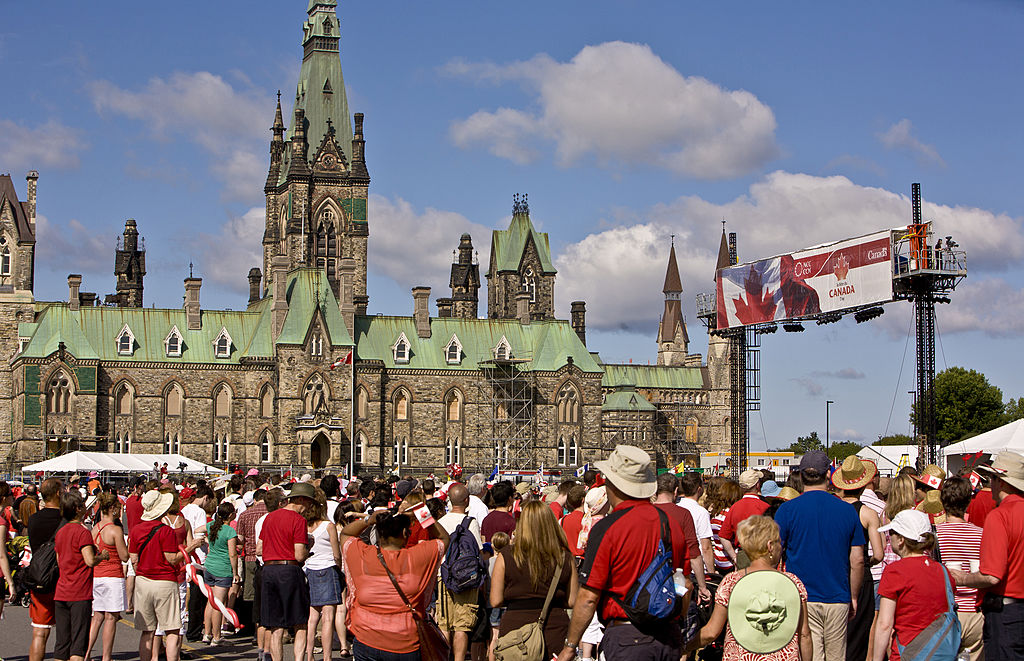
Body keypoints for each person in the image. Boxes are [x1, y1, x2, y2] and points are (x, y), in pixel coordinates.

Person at [557, 445, 689, 661]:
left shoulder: (608, 528)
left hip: (628, 638)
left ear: (612, 484)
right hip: (668, 635)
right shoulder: (671, 524)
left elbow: (589, 597)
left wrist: (571, 646)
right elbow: (684, 583)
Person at [775, 450, 865, 661]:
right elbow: (858, 559)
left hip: (801, 595)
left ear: (801, 475)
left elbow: (774, 553)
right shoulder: (847, 511)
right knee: (836, 656)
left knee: (809, 654)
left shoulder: (787, 510)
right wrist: (853, 596)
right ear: (828, 475)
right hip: (837, 595)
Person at [340, 506, 450, 659]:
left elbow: (346, 533)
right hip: (404, 643)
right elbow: (444, 539)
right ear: (405, 533)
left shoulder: (362, 556)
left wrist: (368, 520)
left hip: (366, 639)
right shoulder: (418, 557)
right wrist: (422, 513)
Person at [698, 515, 812, 660]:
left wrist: (686, 646)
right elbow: (804, 634)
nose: (781, 546)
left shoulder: (731, 582)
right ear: (770, 546)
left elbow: (711, 632)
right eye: (779, 542)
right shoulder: (794, 583)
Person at [950, 450, 1024, 661]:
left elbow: (992, 575)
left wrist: (962, 578)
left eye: (992, 477)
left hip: (1007, 614)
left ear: (1002, 482)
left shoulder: (1000, 515)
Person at [491, 501, 578, 657]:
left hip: (515, 632)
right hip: (554, 628)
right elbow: (572, 601)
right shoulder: (565, 558)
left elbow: (495, 600)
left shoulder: (506, 556)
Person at [873, 509, 958, 661]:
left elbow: (885, 624)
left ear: (901, 540)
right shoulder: (943, 571)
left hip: (908, 651)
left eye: (892, 532)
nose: (889, 537)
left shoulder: (895, 572)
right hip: (941, 652)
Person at [131, 488, 202, 661]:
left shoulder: (136, 530)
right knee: (171, 629)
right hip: (164, 581)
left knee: (147, 631)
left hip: (143, 580)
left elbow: (133, 558)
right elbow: (172, 559)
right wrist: (190, 547)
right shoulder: (166, 531)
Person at [831, 456, 883, 661]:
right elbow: (878, 553)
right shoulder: (869, 513)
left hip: (836, 574)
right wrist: (865, 561)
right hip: (861, 579)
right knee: (858, 635)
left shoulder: (834, 510)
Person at [258, 482, 315, 661]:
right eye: (308, 503)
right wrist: (308, 547)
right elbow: (299, 555)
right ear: (300, 500)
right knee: (300, 621)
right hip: (289, 570)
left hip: (268, 570)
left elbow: (259, 548)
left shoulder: (269, 517)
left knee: (275, 625)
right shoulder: (298, 520)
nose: (308, 508)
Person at [53, 490, 109, 661]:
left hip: (62, 590)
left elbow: (59, 559)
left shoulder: (60, 532)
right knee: (78, 644)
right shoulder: (82, 532)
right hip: (79, 592)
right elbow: (90, 560)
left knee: (62, 643)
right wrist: (103, 556)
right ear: (77, 509)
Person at [935, 476, 984, 661]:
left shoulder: (935, 534)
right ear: (969, 501)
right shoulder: (981, 533)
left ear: (942, 501)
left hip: (945, 610)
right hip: (975, 610)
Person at [437, 483, 483, 661]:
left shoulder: (440, 523)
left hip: (443, 576)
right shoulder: (470, 523)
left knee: (444, 624)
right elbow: (478, 552)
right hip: (466, 579)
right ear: (467, 500)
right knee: (462, 626)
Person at [303, 487, 346, 661]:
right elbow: (337, 554)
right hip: (328, 569)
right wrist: (340, 567)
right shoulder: (328, 526)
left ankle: (309, 653)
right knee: (328, 617)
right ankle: (327, 657)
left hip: (310, 569)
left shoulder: (304, 525)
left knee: (312, 617)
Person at [86, 493, 130, 661]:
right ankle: (106, 656)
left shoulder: (95, 528)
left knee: (97, 617)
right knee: (111, 617)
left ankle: (87, 653)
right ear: (112, 509)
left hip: (97, 575)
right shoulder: (115, 530)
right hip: (112, 576)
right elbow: (124, 556)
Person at [27, 477, 65, 661]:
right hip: (62, 577)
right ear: (58, 493)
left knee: (40, 631)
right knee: (67, 633)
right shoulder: (65, 519)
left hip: (40, 576)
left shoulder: (34, 519)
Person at [202, 502, 239, 645]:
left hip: (209, 566)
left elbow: (198, 529)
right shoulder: (229, 531)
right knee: (218, 604)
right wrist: (235, 572)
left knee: (210, 602)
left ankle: (207, 633)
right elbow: (232, 554)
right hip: (222, 569)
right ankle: (217, 636)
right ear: (230, 515)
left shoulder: (211, 526)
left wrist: (205, 541)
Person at [182, 483, 214, 642]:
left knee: (189, 593)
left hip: (187, 553)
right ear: (206, 498)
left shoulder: (184, 509)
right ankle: (194, 631)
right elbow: (200, 531)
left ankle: (190, 629)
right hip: (199, 556)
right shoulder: (200, 511)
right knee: (198, 597)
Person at [719, 469, 769, 567]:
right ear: (757, 485)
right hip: (762, 555)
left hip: (742, 555)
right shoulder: (764, 507)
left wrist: (734, 557)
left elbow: (723, 536)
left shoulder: (734, 507)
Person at [677, 472, 716, 579]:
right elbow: (706, 547)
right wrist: (711, 572)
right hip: (696, 568)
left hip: (679, 565)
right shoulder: (701, 512)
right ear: (699, 489)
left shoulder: (676, 508)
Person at [707, 478, 742, 574]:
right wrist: (735, 557)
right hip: (729, 560)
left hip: (717, 558)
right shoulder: (729, 514)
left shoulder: (715, 513)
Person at [0, 481, 16, 616]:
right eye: (11, 494)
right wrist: (10, 582)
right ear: (4, 498)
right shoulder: (1, 522)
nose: (13, 497)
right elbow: (1, 554)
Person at [559, 484, 588, 557]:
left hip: (567, 560)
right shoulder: (587, 520)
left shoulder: (562, 520)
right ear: (583, 500)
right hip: (582, 561)